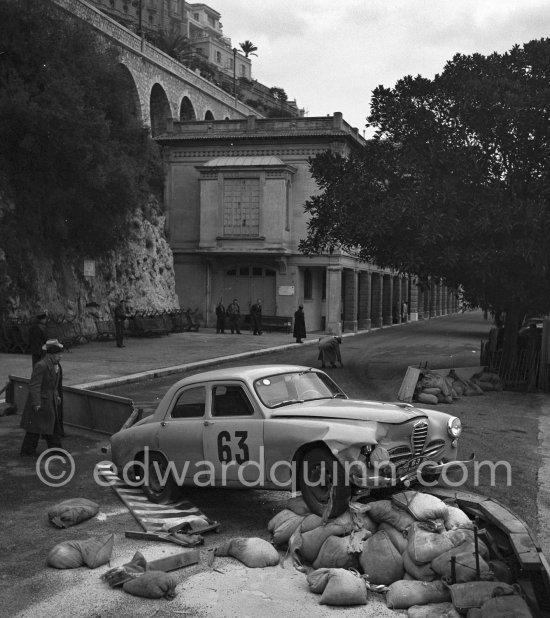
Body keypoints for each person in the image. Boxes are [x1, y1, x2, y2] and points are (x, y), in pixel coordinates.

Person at [20, 339, 65, 456]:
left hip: (49, 400)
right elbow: (34, 385)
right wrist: (36, 403)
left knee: (47, 425)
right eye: (58, 354)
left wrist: (57, 396)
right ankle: (28, 451)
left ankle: (55, 450)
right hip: (42, 401)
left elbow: (53, 385)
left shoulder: (55, 366)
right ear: (50, 354)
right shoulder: (41, 365)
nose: (60, 356)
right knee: (36, 428)